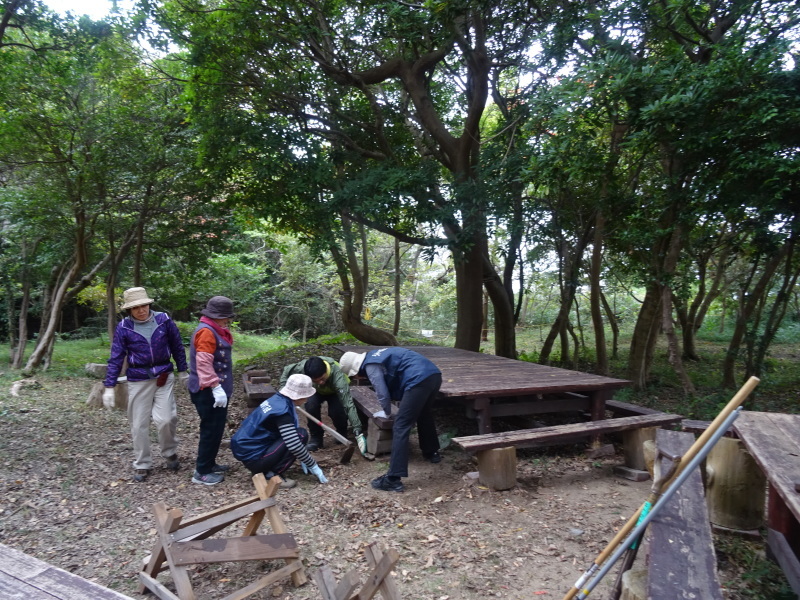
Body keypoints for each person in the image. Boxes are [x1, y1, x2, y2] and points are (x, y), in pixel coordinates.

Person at [103, 287, 189, 483]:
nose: (141, 310)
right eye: (136, 308)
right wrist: (109, 386)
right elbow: (116, 357)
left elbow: (177, 345)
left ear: (149, 304)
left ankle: (169, 453)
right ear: (129, 310)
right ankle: (142, 463)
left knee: (167, 419)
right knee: (139, 423)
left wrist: (183, 371)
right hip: (138, 378)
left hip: (163, 376)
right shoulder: (124, 327)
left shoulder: (163, 320)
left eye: (144, 305)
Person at [339, 348, 442, 493]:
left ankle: (393, 479)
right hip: (433, 375)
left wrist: (386, 412)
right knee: (424, 413)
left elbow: (381, 392)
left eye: (355, 375)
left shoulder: (371, 365)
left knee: (400, 426)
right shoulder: (376, 354)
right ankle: (431, 452)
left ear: (355, 369)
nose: (358, 378)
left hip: (418, 379)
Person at [231, 373, 329, 487]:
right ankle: (271, 475)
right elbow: (293, 444)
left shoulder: (277, 399)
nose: (307, 399)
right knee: (300, 436)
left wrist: (303, 456)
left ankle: (264, 469)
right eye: (306, 396)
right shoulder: (282, 412)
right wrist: (312, 464)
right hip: (254, 456)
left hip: (250, 450)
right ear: (299, 396)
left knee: (301, 433)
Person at [187, 296, 235, 486]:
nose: (227, 321)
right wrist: (215, 387)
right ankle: (202, 471)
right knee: (210, 429)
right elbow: (204, 362)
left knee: (216, 428)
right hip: (208, 390)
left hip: (216, 389)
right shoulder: (207, 332)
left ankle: (210, 463)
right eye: (225, 317)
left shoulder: (215, 330)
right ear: (218, 316)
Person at [279, 356, 367, 455]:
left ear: (326, 371)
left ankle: (341, 432)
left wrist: (357, 430)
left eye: (322, 379)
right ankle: (316, 438)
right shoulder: (302, 367)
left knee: (336, 411)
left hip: (335, 391)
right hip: (315, 391)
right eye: (315, 380)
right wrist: (284, 392)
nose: (320, 382)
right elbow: (287, 370)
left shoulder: (338, 377)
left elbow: (348, 404)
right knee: (311, 406)